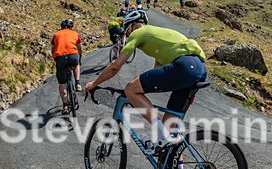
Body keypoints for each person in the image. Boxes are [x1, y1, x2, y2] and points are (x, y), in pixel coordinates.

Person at [85, 10, 207, 153]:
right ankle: (175, 166)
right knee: (168, 129)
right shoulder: (159, 39)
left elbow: (115, 66)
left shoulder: (139, 32)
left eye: (126, 31)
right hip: (199, 69)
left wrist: (94, 84)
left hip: (185, 65)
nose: (127, 35)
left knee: (130, 89)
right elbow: (156, 76)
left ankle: (165, 136)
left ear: (130, 26)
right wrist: (138, 95)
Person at [51, 19, 82, 114]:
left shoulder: (56, 34)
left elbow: (53, 49)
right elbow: (79, 48)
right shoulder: (75, 34)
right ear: (71, 27)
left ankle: (65, 106)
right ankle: (77, 83)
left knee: (62, 83)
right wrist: (80, 55)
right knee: (76, 64)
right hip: (73, 55)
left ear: (61, 27)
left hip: (60, 57)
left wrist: (56, 58)